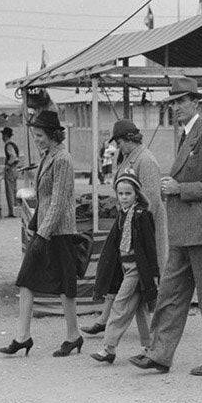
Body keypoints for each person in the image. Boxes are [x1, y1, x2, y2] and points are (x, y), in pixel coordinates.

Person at [130, 75, 202, 377]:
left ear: (195, 101)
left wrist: (179, 189)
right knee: (170, 294)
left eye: (181, 101)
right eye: (173, 102)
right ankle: (160, 353)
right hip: (183, 232)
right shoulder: (187, 136)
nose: (176, 107)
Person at [1, 110, 83, 358]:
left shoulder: (63, 160)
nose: (36, 139)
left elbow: (59, 202)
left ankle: (73, 335)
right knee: (25, 280)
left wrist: (42, 235)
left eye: (39, 135)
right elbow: (45, 199)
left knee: (64, 287)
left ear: (51, 134)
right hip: (46, 229)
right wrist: (36, 225)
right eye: (35, 135)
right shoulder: (48, 156)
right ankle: (22, 337)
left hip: (60, 232)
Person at [82, 118, 167, 336]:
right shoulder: (129, 157)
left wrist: (141, 232)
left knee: (147, 276)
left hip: (141, 228)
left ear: (129, 140)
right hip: (126, 224)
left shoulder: (145, 160)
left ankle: (159, 323)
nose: (117, 147)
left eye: (119, 142)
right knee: (113, 269)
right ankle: (105, 318)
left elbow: (152, 201)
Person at [90, 173, 159, 364]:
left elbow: (150, 246)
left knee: (120, 305)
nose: (124, 197)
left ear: (136, 194)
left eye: (128, 193)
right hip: (125, 267)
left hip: (137, 269)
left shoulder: (142, 215)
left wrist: (154, 273)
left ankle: (108, 348)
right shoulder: (122, 215)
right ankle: (150, 347)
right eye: (120, 193)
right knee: (141, 309)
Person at [1, 126, 20, 218]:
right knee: (14, 190)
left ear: (5, 136)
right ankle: (15, 210)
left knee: (10, 191)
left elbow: (13, 156)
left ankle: (12, 211)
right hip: (15, 169)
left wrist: (8, 165)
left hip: (11, 170)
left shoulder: (8, 145)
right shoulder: (13, 144)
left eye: (2, 135)